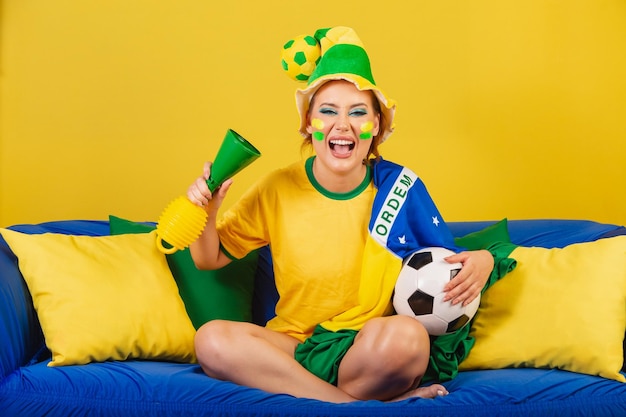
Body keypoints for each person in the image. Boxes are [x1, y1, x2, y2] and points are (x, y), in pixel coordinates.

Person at [187, 26, 494, 403]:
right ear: (308, 124)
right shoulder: (277, 188)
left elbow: (446, 262)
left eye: (358, 113)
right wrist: (208, 209)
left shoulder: (401, 188)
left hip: (366, 349)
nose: (342, 125)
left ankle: (317, 398)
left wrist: (483, 260)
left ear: (377, 126)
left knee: (410, 338)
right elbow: (207, 258)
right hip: (292, 347)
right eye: (328, 111)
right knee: (212, 339)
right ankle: (351, 405)